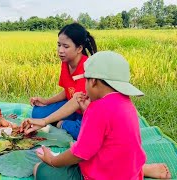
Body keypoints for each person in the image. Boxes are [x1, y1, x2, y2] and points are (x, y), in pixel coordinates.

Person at [21, 51, 172, 179]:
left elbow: (80, 154)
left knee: (39, 169)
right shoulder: (126, 103)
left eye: (86, 81)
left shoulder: (98, 109)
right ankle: (142, 169)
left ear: (92, 81)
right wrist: (87, 111)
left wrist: (53, 160)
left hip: (102, 175)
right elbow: (107, 132)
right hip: (128, 172)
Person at [27, 23, 97, 140]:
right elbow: (68, 90)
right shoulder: (66, 63)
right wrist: (46, 101)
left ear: (79, 48)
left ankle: (62, 123)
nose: (60, 50)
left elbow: (77, 100)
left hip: (86, 112)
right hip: (71, 108)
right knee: (37, 113)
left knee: (85, 133)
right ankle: (64, 121)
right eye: (59, 45)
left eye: (65, 46)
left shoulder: (87, 67)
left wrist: (45, 121)